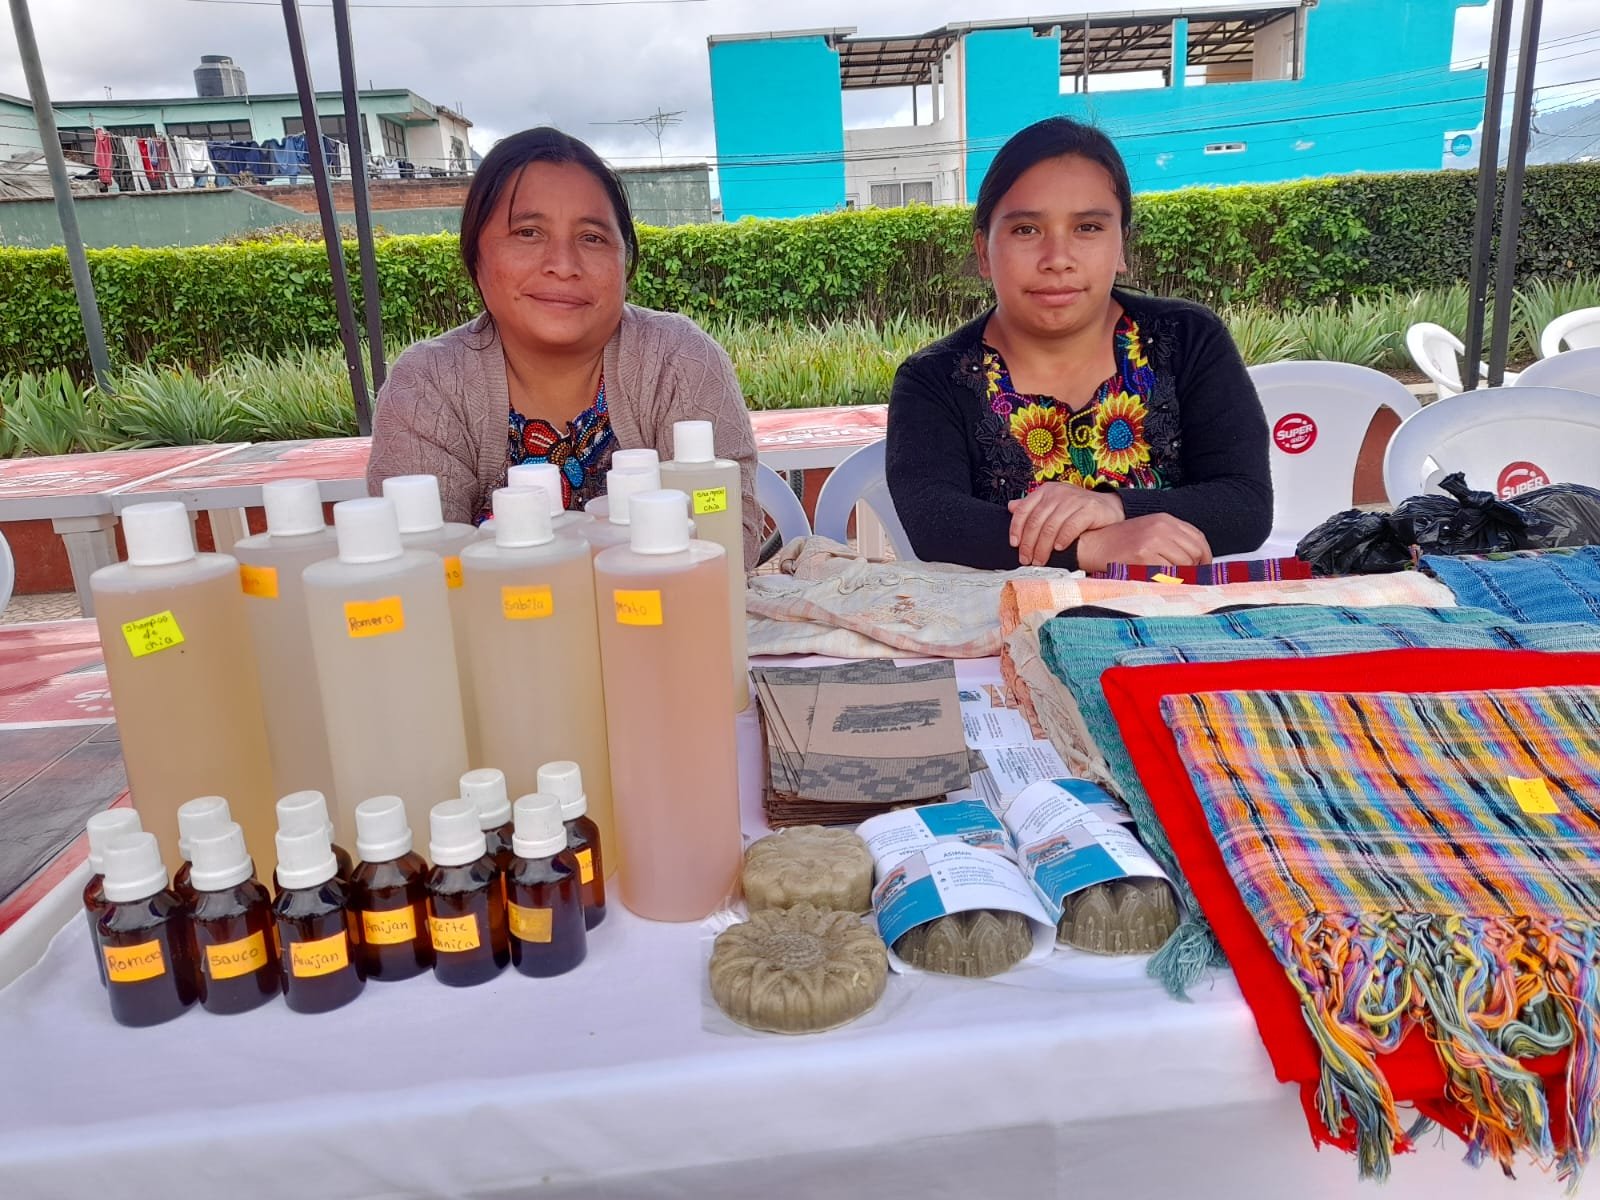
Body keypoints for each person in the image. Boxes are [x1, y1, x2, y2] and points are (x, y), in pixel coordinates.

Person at [886, 117, 1272, 572]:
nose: (1058, 260)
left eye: (1088, 227)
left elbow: (1245, 502)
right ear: (984, 252)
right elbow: (937, 524)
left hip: (1181, 625)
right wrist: (1090, 550)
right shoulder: (934, 379)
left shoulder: (1187, 340)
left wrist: (1114, 507)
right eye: (1026, 230)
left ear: (1122, 245)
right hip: (1008, 634)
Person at [367, 127, 761, 570]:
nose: (563, 265)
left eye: (591, 237)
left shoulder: (679, 360)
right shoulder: (429, 383)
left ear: (623, 260)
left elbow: (727, 552)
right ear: (475, 256)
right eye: (528, 232)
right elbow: (420, 578)